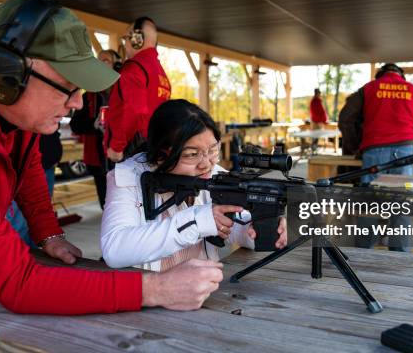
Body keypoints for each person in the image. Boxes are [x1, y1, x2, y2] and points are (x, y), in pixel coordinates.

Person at [0, 0, 222, 314]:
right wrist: (156, 288)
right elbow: (20, 285)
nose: (78, 103)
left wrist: (47, 232)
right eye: (68, 87)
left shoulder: (7, 104)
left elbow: (27, 163)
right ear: (6, 76)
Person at [101, 99, 288, 270]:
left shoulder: (213, 174)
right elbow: (115, 249)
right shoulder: (127, 178)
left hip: (205, 294)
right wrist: (198, 221)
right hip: (148, 297)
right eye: (192, 154)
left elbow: (232, 226)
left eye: (213, 150)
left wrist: (258, 228)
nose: (206, 163)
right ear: (161, 155)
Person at [338, 63, 413, 251]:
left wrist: (354, 146)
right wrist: (412, 145)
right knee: (402, 205)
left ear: (380, 75)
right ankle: (400, 257)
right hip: (405, 156)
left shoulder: (369, 89)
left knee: (370, 206)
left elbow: (346, 118)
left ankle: (362, 254)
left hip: (374, 153)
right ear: (401, 76)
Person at [106, 17, 171, 164]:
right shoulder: (161, 73)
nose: (126, 44)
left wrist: (117, 147)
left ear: (137, 39)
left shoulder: (134, 68)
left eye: (127, 38)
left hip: (131, 150)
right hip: (153, 146)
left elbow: (134, 111)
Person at [70, 49, 120, 208]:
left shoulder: (124, 92)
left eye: (105, 60)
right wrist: (93, 124)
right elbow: (75, 125)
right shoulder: (88, 96)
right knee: (105, 206)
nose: (101, 63)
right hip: (98, 160)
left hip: (121, 159)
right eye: (99, 60)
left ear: (115, 65)